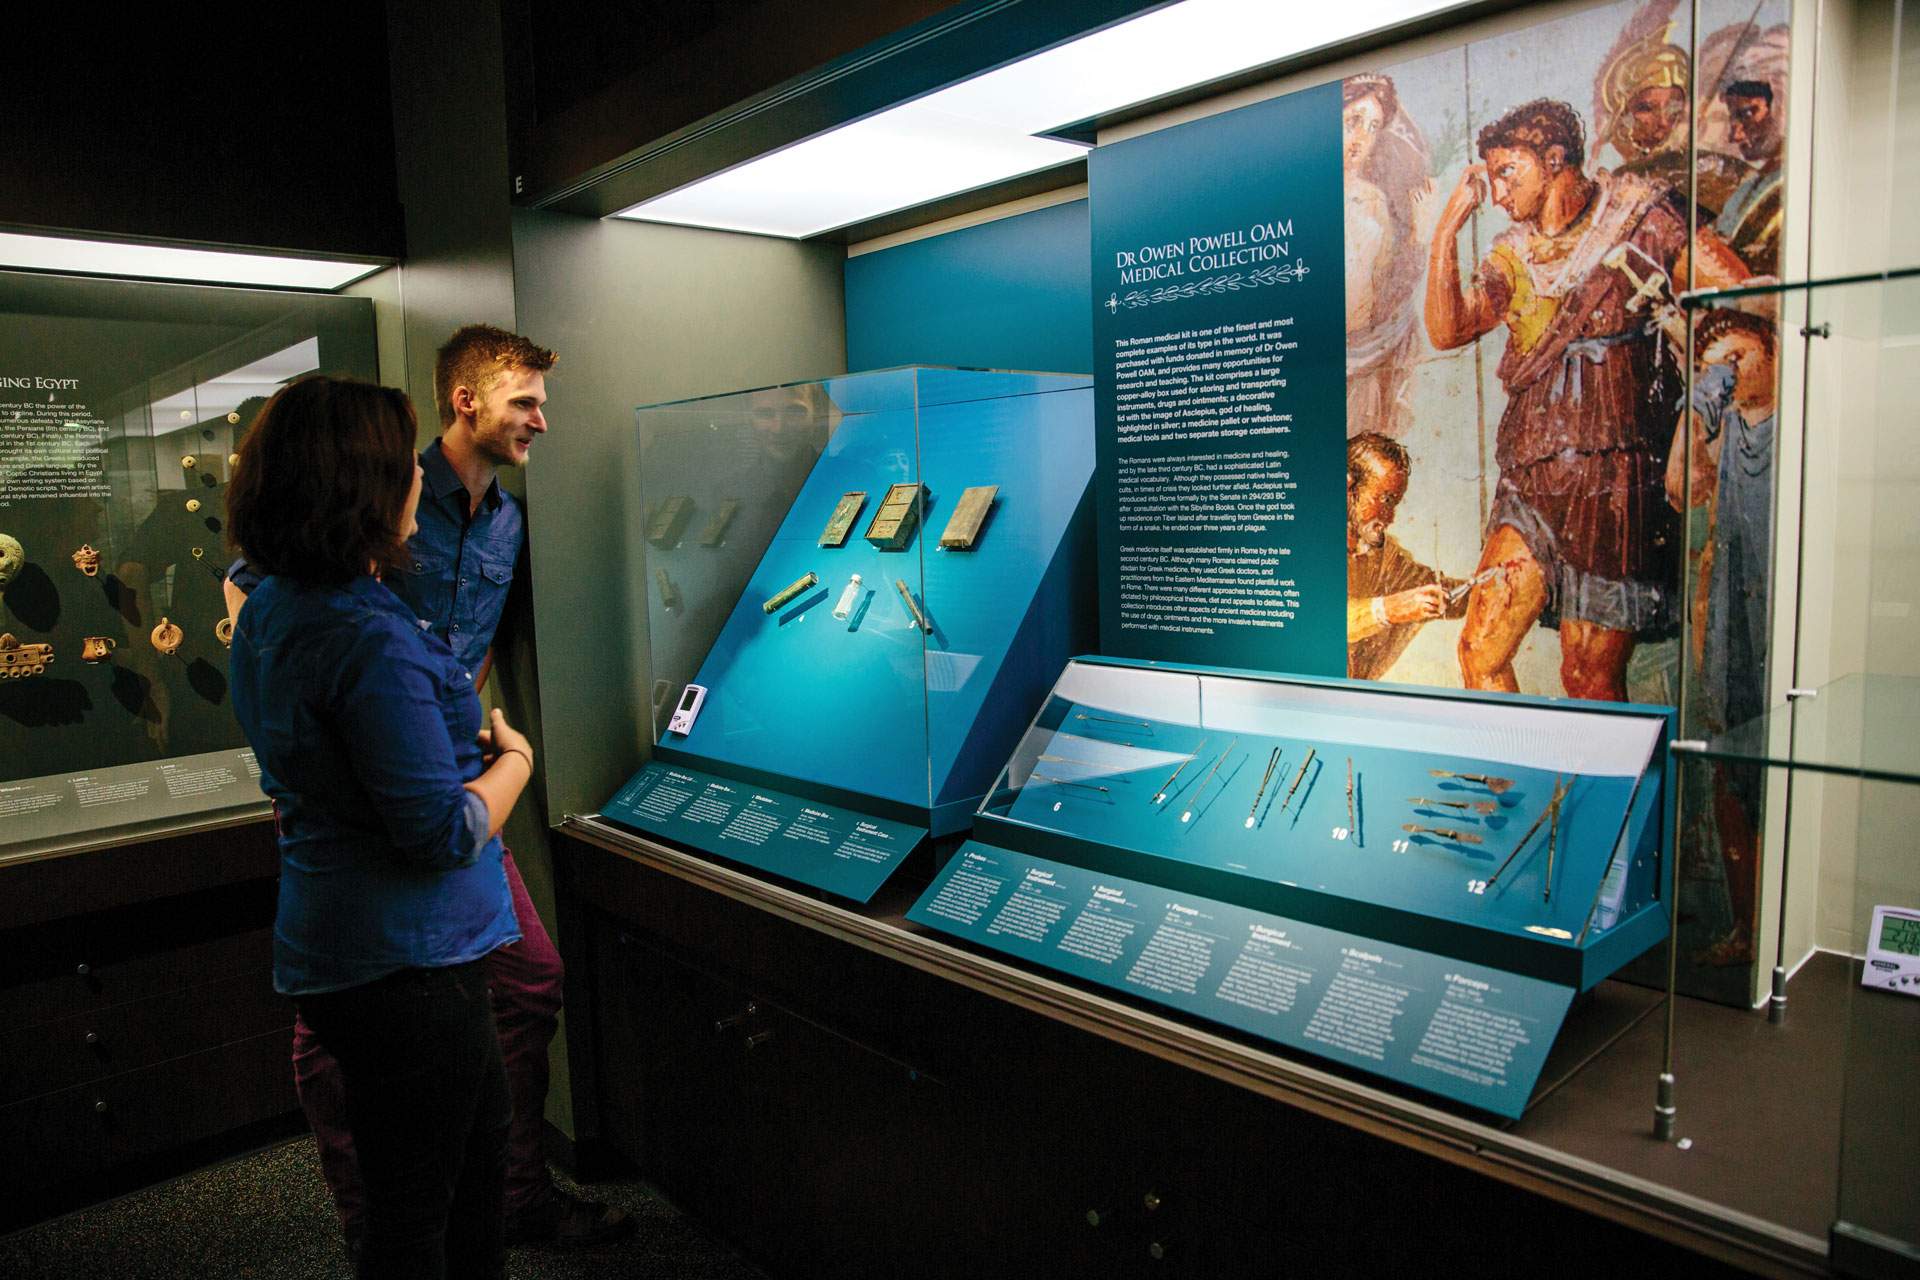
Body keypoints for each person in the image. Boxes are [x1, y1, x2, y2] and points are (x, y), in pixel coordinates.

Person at [227, 326, 630, 1254]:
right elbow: (261, 601)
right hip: (404, 831)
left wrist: (452, 723)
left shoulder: (508, 520)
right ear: (465, 402)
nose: (541, 420)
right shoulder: (349, 581)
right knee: (366, 1087)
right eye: (524, 402)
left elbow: (463, 649)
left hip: (433, 784)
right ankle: (374, 1214)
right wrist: (313, 758)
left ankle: (511, 1197)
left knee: (525, 988)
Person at [1424, 97, 1746, 700]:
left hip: (1615, 485)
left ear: (1553, 159)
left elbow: (1738, 298)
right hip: (1533, 479)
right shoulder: (1513, 257)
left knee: (1588, 673)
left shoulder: (1641, 221)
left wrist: (1697, 415)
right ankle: (1508, 791)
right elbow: (1447, 329)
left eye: (1506, 172)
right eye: (1490, 176)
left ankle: (1596, 797)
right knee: (1478, 648)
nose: (1496, 192)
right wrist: (1447, 230)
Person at [1665, 307, 1777, 965]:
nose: (1731, 375)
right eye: (1719, 366)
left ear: (1770, 347)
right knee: (1733, 757)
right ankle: (1745, 925)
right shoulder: (1724, 427)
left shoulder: (1802, 418)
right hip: (1735, 602)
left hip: (1782, 600)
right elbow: (1683, 486)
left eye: (1740, 358)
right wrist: (1697, 408)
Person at [1342, 73, 1433, 439]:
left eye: (1373, 126)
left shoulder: (1373, 202)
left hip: (1365, 362)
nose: (1361, 138)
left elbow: (1385, 296)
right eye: (1353, 122)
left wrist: (1419, 238)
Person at [1345, 433, 1468, 681]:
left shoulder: (1383, 556)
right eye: (1385, 500)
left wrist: (1487, 588)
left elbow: (1426, 584)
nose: (1390, 517)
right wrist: (1391, 609)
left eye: (1395, 504)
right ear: (1348, 487)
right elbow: (1320, 621)